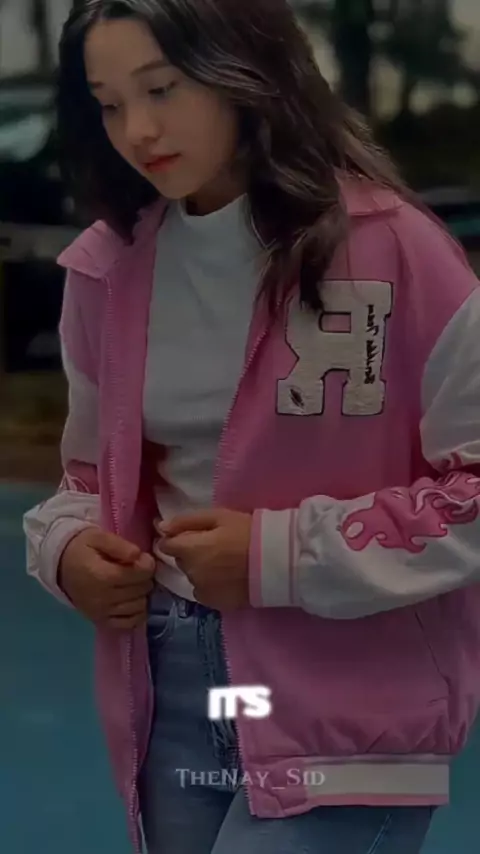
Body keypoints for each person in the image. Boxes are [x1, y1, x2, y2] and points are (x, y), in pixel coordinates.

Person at [23, 1, 480, 852]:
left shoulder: (398, 250)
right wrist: (68, 551)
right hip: (170, 686)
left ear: (246, 71)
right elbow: (88, 478)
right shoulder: (105, 269)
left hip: (350, 703)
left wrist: (279, 556)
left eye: (162, 88)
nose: (138, 130)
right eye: (109, 104)